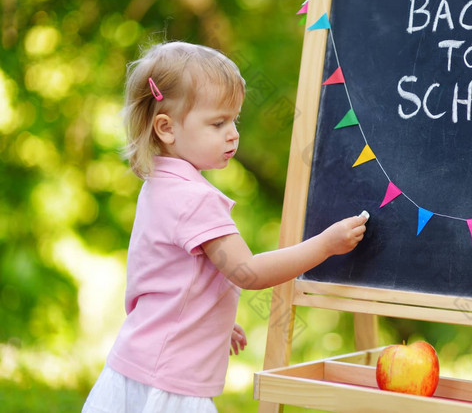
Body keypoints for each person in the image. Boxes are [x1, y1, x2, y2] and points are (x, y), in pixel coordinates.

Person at [82, 41, 367, 412]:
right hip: (168, 385)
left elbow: (169, 283)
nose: (232, 133)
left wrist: (208, 322)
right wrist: (325, 245)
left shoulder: (159, 186)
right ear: (166, 128)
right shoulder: (195, 199)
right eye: (217, 123)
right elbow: (249, 272)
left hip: (138, 367)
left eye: (235, 120)